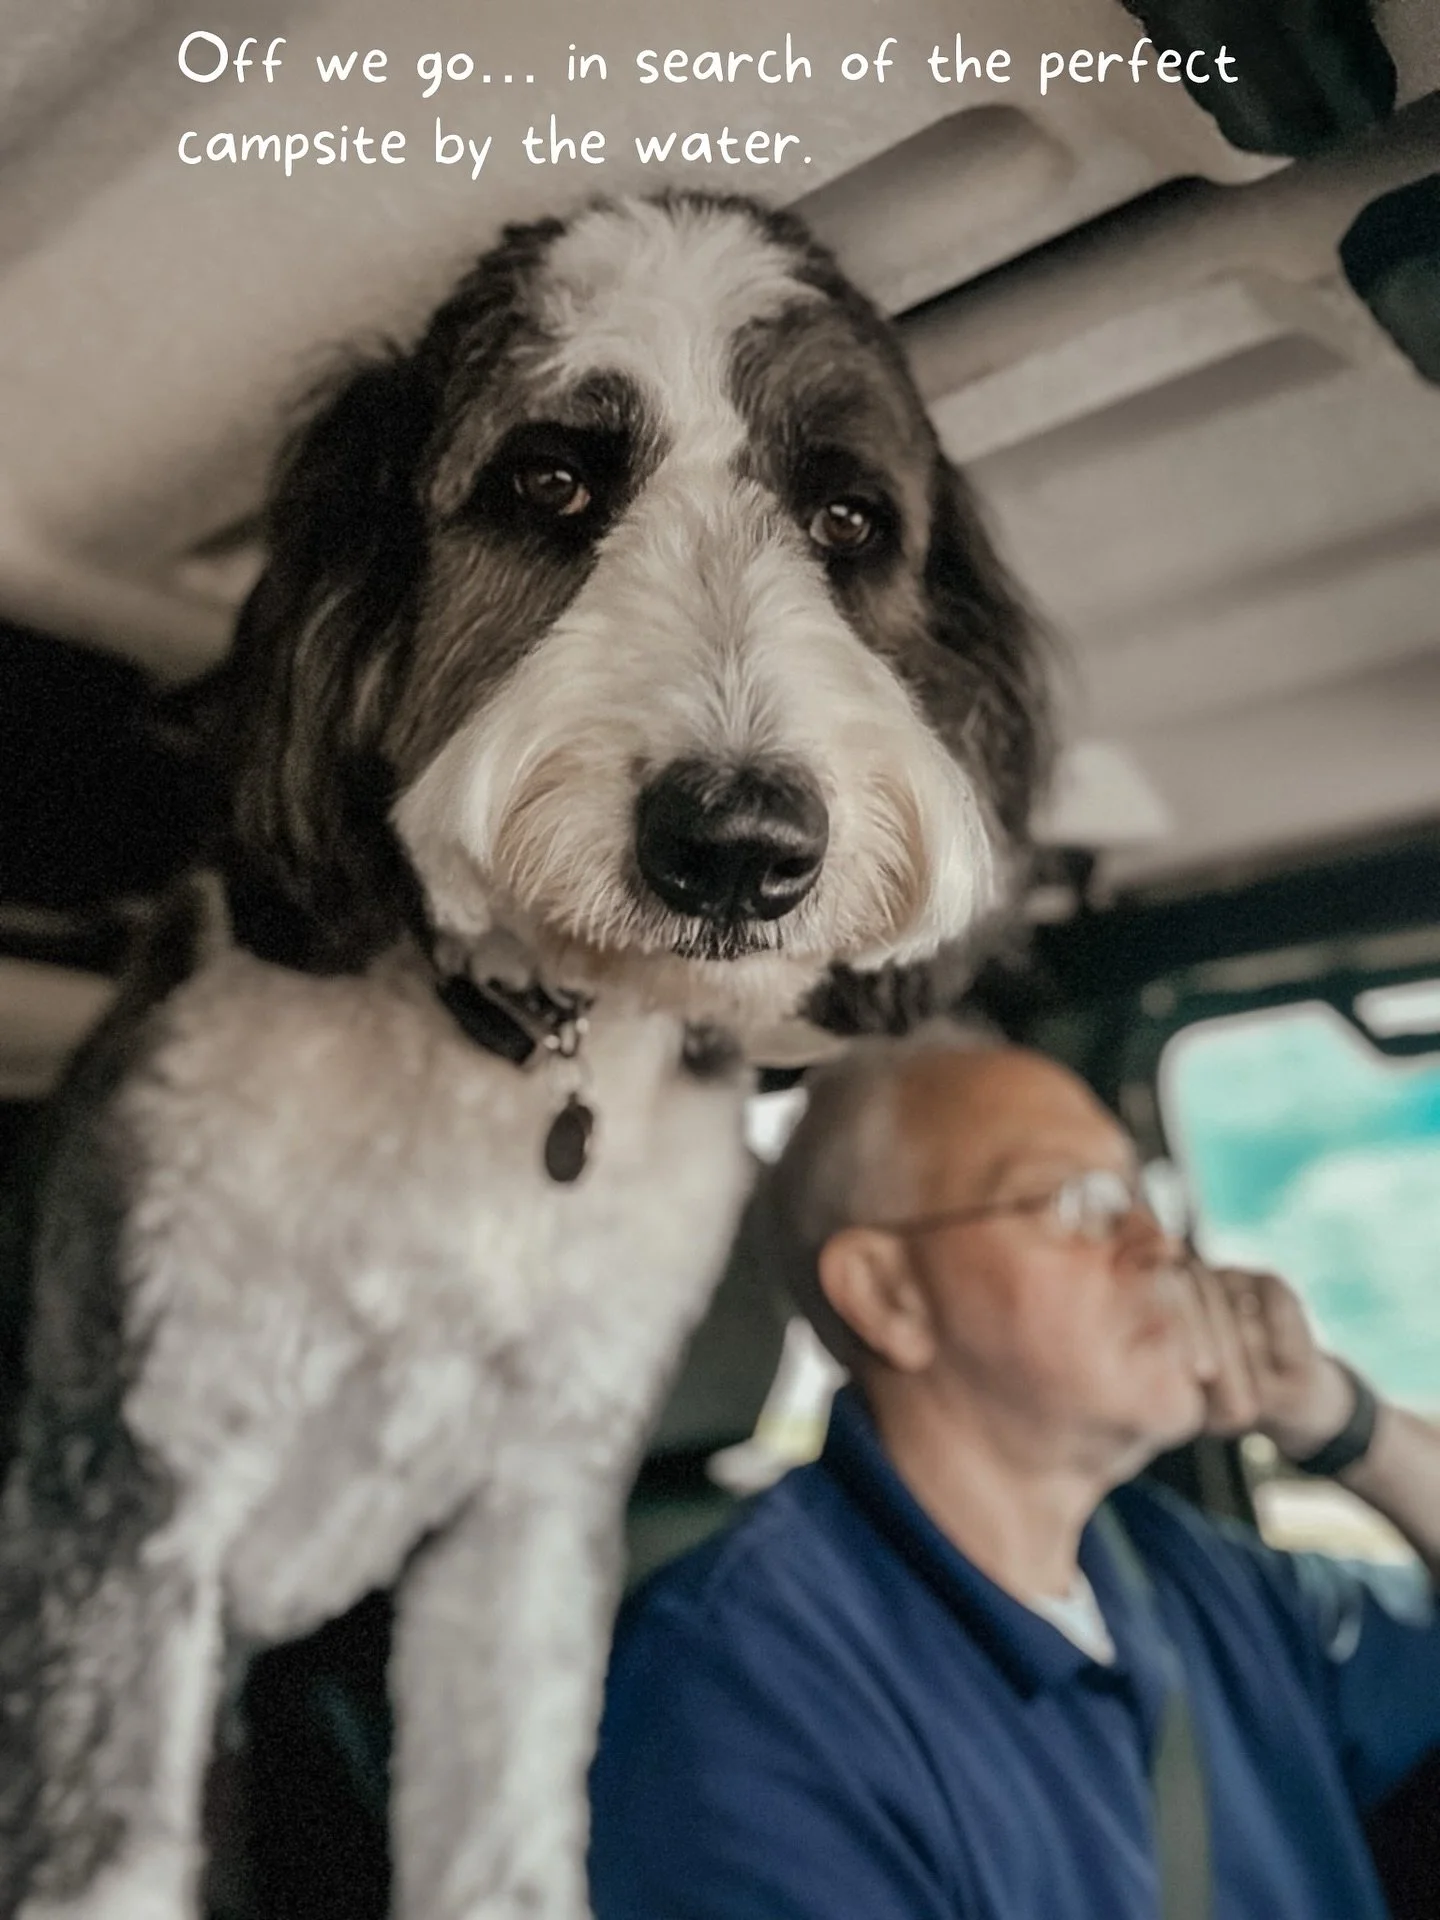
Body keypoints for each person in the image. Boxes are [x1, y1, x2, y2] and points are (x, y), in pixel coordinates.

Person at [588, 1028, 1440, 1920]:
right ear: (888, 1294)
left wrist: (1348, 1423)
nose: (1159, 1247)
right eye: (1077, 1203)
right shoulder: (739, 1695)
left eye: (1141, 1196)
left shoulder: (1192, 1571)